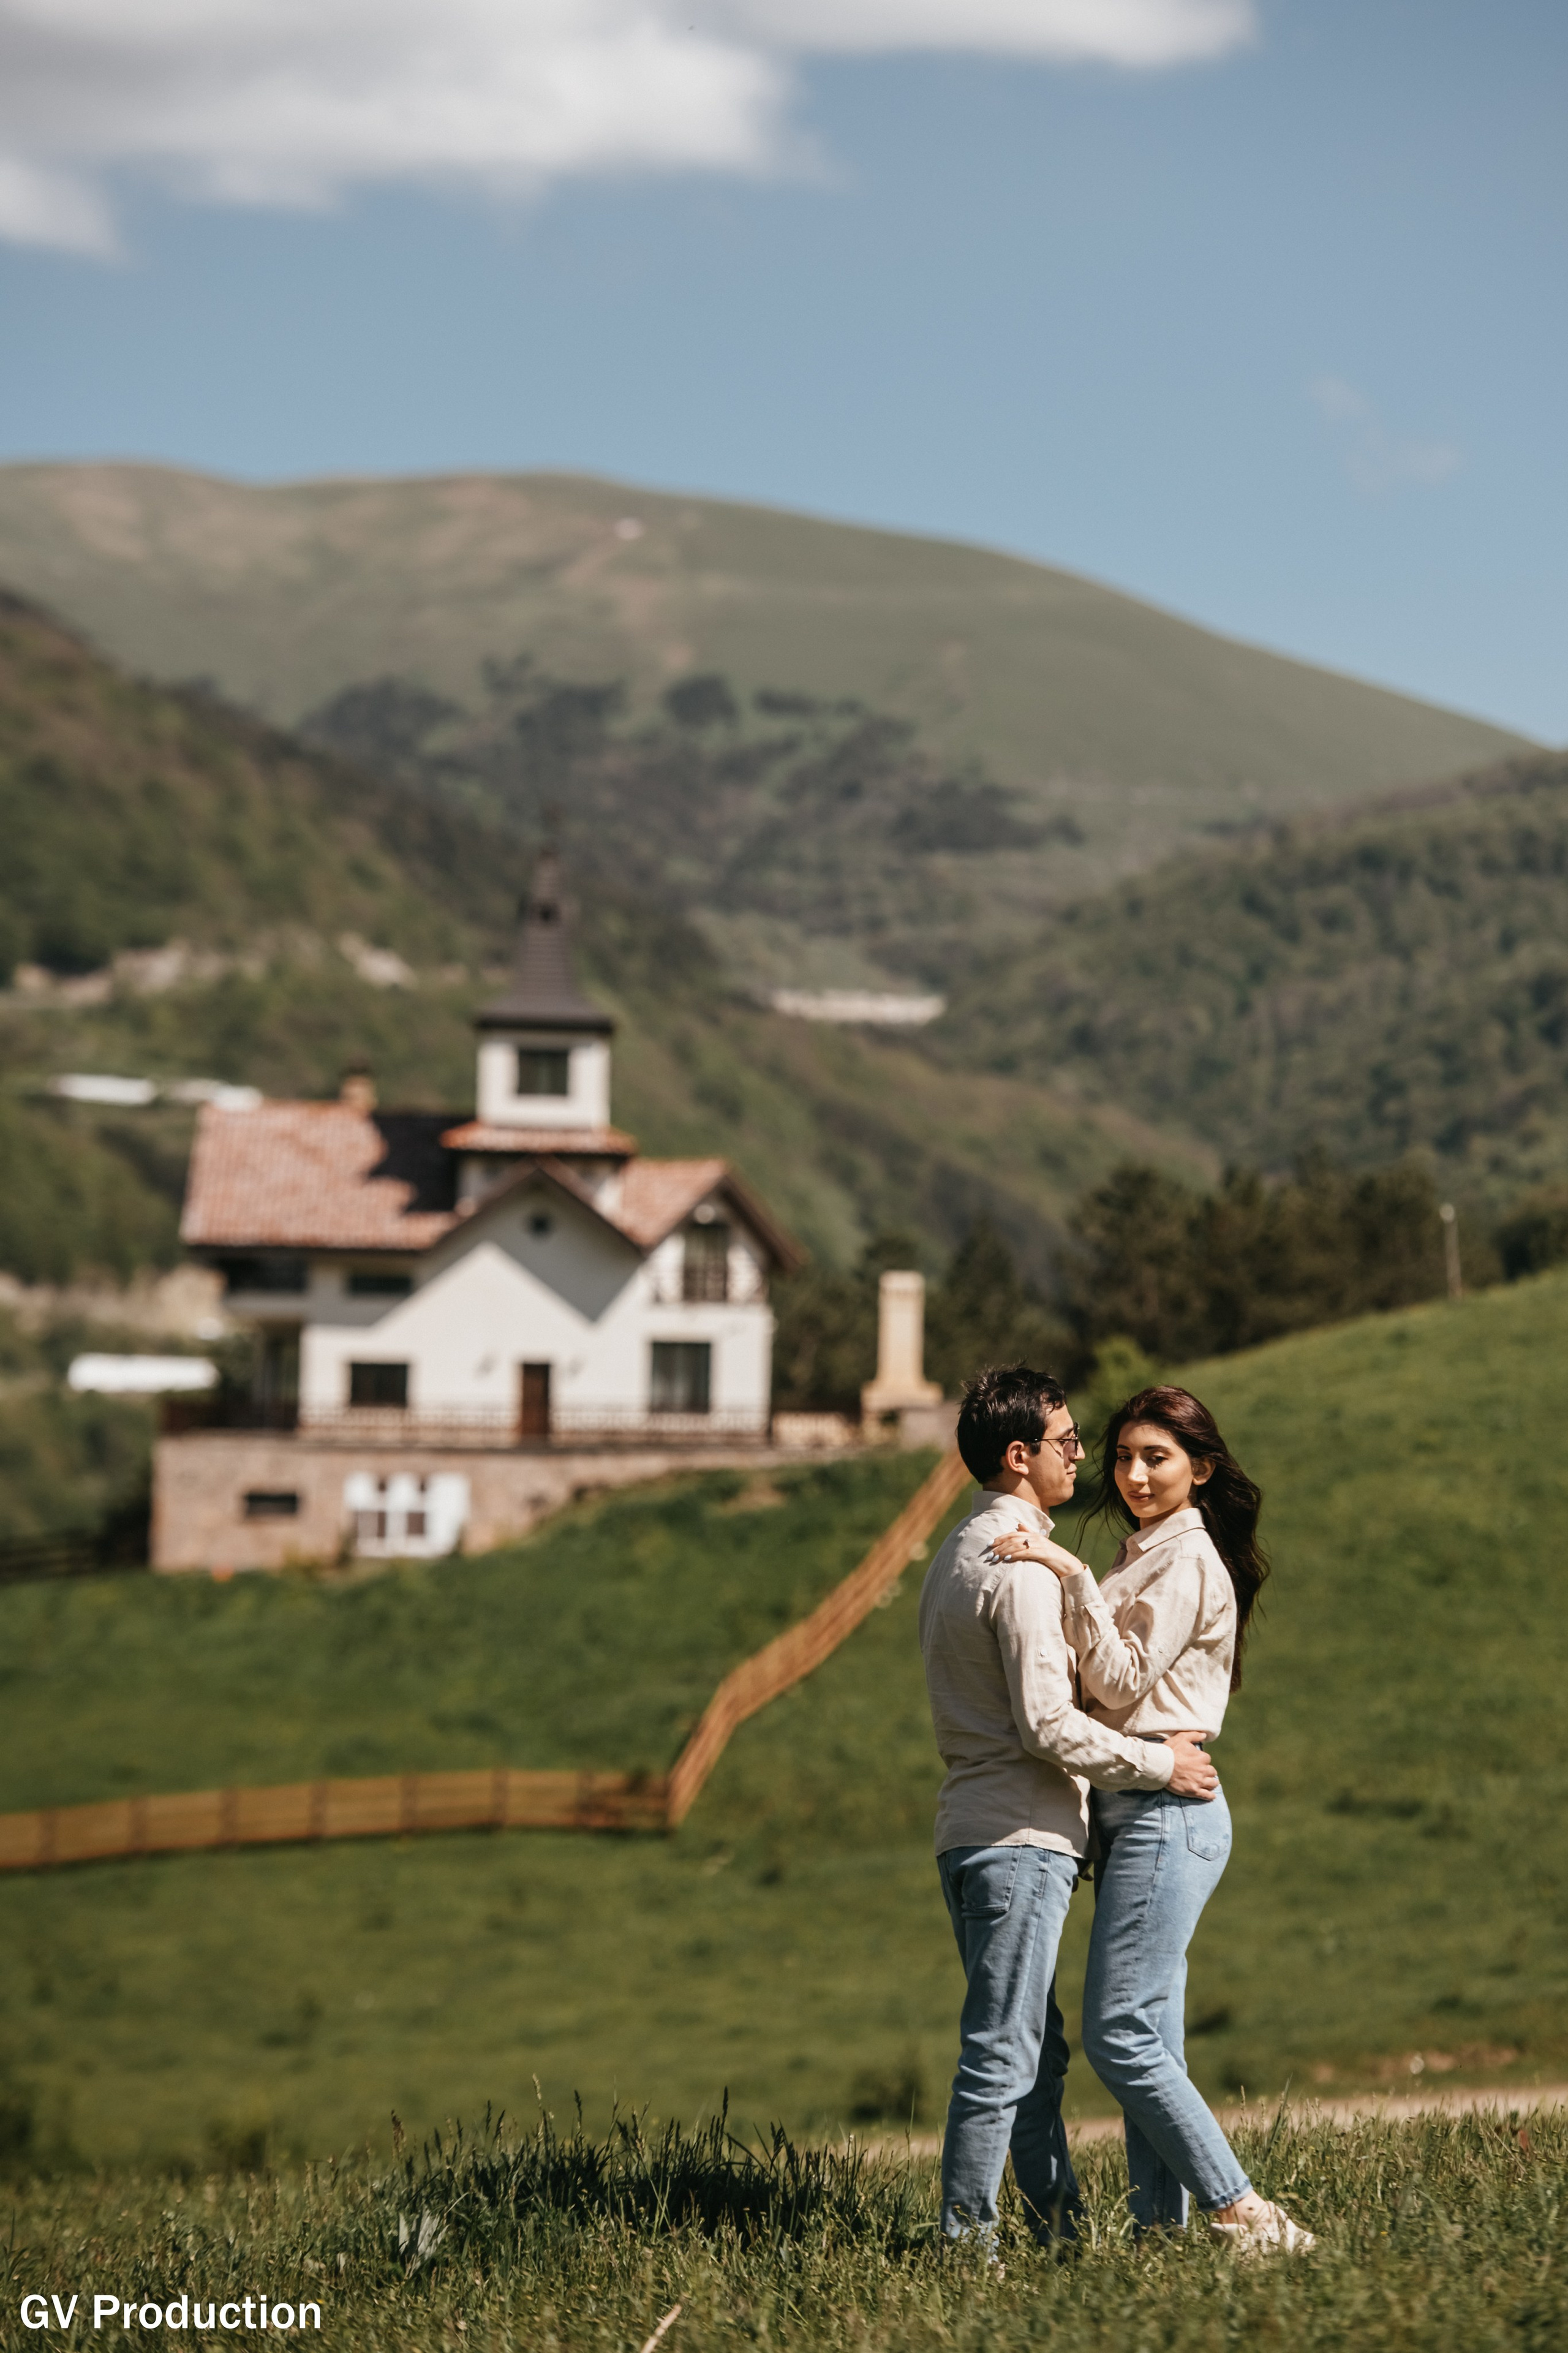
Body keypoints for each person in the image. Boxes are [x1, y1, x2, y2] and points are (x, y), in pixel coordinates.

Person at [993, 1384, 1316, 2254]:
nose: (1133, 1473)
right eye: (1124, 1455)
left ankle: (1243, 2211)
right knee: (1153, 2035)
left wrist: (1065, 1573)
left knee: (1118, 2030)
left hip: (1168, 1813)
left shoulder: (1188, 1561)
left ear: (1201, 1469)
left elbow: (1123, 1683)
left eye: (1157, 1457)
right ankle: (1162, 2235)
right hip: (1137, 1809)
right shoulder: (1142, 1558)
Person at [918, 1364, 1219, 2254]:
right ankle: (966, 2245)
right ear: (1021, 1456)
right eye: (1068, 1440)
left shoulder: (953, 1551)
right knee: (1006, 2054)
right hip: (1021, 1838)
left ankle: (1059, 2237)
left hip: (969, 1830)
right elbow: (1049, 1725)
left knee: (1034, 2057)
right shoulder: (1018, 1573)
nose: (1082, 1455)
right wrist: (1158, 1762)